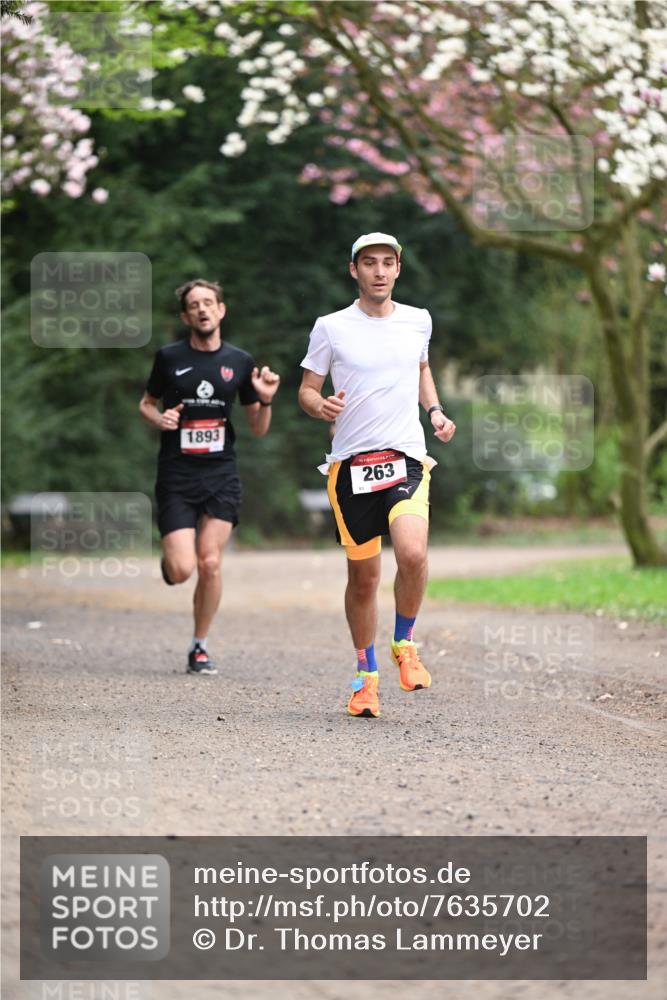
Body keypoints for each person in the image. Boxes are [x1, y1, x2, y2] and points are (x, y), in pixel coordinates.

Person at [298, 233, 456, 718]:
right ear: (354, 271)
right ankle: (366, 678)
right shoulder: (330, 327)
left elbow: (422, 368)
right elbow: (307, 389)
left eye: (388, 263)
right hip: (351, 467)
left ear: (398, 270)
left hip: (406, 455)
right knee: (363, 580)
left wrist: (434, 410)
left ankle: (404, 643)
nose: (380, 271)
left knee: (411, 551)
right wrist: (318, 406)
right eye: (370, 263)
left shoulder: (418, 321)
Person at [140, 279, 280, 675]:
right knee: (184, 569)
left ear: (221, 310)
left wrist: (265, 397)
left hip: (221, 473)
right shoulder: (169, 357)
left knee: (210, 562)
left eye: (208, 302)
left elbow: (257, 427)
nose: (202, 309)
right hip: (177, 474)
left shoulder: (240, 361)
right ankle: (170, 564)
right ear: (186, 316)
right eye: (194, 305)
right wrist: (160, 418)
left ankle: (199, 645)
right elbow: (147, 404)